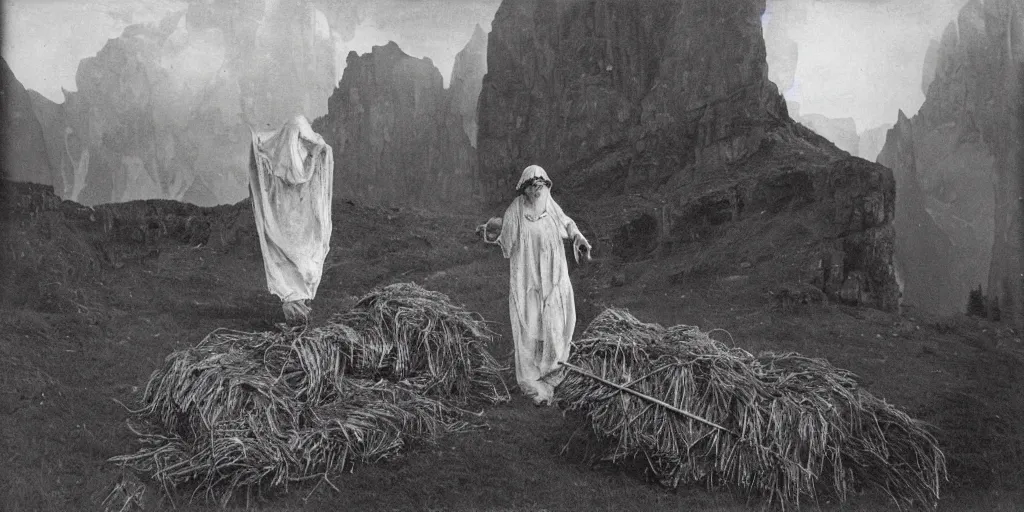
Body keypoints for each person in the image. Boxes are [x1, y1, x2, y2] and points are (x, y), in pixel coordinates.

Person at [477, 165, 592, 406]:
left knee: (555, 322)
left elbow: (568, 224)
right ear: (524, 189)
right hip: (527, 279)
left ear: (546, 186)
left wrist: (579, 238)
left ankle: (553, 372)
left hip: (553, 276)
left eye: (540, 185)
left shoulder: (550, 206)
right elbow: (506, 242)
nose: (536, 190)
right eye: (532, 186)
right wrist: (492, 232)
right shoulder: (516, 211)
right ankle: (532, 380)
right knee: (530, 324)